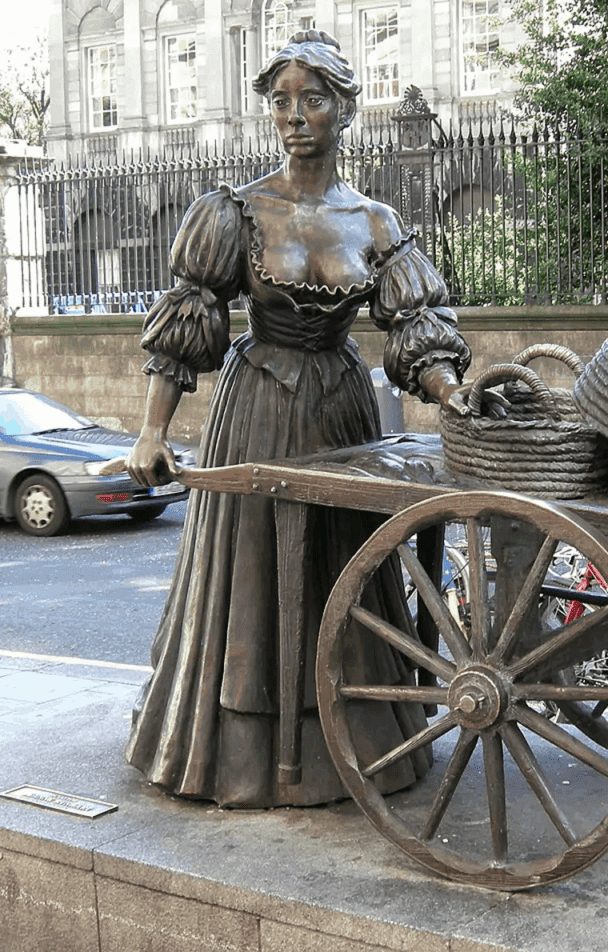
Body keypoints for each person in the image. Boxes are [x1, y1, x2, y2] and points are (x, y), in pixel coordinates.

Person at [125, 30, 476, 808]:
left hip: (345, 413)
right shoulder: (235, 211)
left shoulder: (377, 221)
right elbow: (191, 319)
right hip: (258, 408)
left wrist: (452, 393)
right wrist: (152, 429)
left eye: (312, 100)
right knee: (253, 580)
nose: (293, 116)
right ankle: (246, 755)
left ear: (345, 110)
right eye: (280, 102)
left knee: (345, 568)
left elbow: (414, 328)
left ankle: (356, 744)